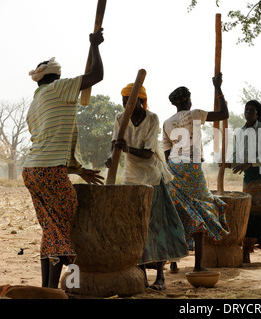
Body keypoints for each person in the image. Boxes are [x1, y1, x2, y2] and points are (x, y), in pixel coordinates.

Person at [22, 29, 105, 288]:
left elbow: (50, 140)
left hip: (32, 171)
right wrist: (95, 46)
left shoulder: (36, 102)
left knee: (51, 228)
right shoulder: (59, 88)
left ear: (39, 81)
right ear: (56, 76)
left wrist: (78, 170)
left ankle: (47, 288)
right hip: (48, 170)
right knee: (62, 221)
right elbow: (97, 76)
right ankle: (55, 287)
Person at [105, 83, 189, 290]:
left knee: (156, 228)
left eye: (129, 102)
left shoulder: (152, 119)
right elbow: (115, 143)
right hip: (131, 178)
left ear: (140, 102)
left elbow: (148, 153)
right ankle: (140, 275)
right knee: (135, 227)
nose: (125, 106)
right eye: (123, 102)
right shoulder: (119, 119)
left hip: (152, 178)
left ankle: (160, 277)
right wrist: (111, 157)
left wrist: (127, 148)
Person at [162, 72, 230, 272]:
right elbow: (224, 114)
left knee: (179, 210)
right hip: (192, 168)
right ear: (189, 100)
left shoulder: (166, 123)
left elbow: (167, 154)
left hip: (174, 168)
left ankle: (173, 261)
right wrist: (218, 88)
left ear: (175, 104)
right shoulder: (196, 114)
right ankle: (198, 266)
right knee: (201, 209)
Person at [225, 100, 261, 264]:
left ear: (258, 113)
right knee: (249, 214)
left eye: (251, 110)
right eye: (246, 110)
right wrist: (228, 163)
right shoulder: (240, 132)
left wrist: (250, 162)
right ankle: (246, 252)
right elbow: (237, 156)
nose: (248, 113)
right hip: (250, 177)